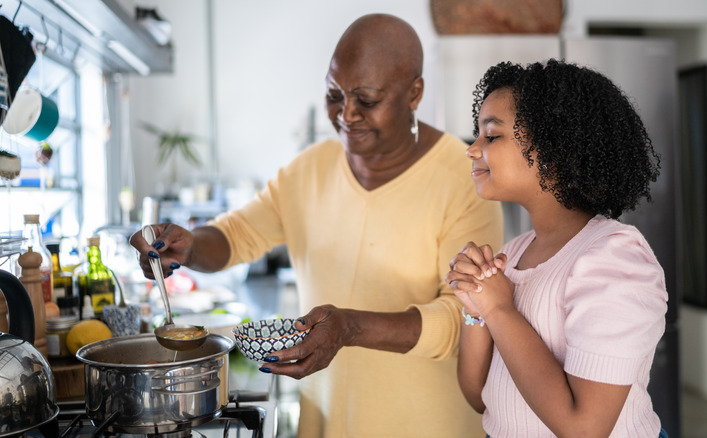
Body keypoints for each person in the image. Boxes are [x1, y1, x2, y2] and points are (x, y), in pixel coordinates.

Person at [130, 13, 503, 438]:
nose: (346, 114)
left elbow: (466, 317)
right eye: (334, 94)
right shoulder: (308, 170)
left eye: (366, 99)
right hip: (324, 423)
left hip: (427, 426)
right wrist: (190, 246)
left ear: (413, 92)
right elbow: (236, 235)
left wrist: (350, 328)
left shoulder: (465, 179)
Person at [445, 59, 669, 438]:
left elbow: (584, 429)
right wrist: (476, 309)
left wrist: (499, 307)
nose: (472, 150)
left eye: (492, 135)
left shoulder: (614, 258)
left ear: (554, 148)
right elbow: (481, 398)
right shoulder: (513, 253)